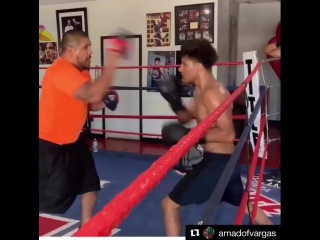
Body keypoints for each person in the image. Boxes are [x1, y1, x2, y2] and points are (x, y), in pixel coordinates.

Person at [158, 39, 273, 236]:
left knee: (169, 206)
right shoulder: (200, 90)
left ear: (198, 66)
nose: (180, 68)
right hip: (224, 162)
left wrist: (190, 136)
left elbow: (228, 133)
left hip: (217, 165)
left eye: (184, 64)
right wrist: (173, 99)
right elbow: (187, 117)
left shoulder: (212, 93)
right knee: (247, 206)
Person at [39, 29, 129, 226]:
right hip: (51, 144)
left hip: (74, 139)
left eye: (90, 47)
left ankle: (86, 226)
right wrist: (113, 58)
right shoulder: (60, 71)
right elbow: (90, 95)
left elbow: (90, 104)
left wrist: (106, 101)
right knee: (52, 200)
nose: (90, 52)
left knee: (91, 184)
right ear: (71, 51)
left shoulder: (83, 74)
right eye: (86, 47)